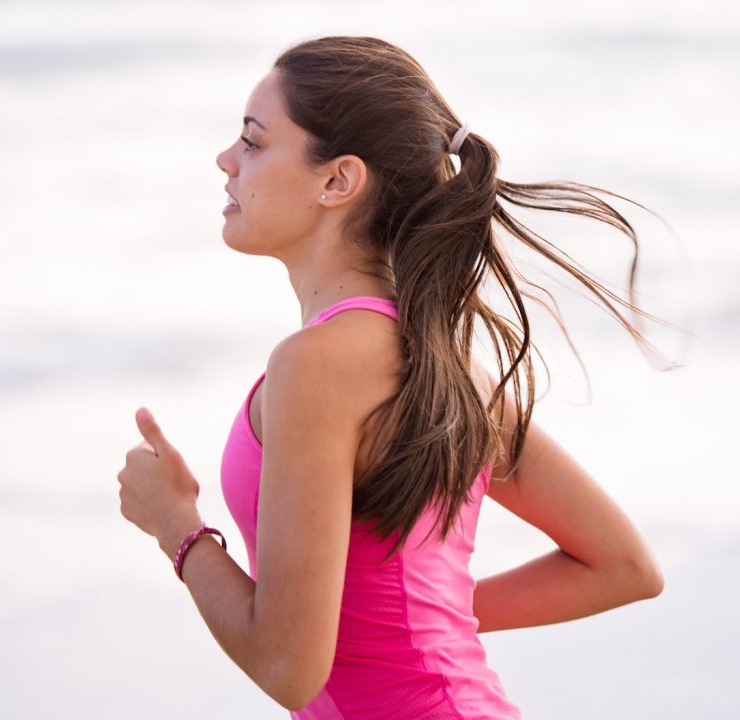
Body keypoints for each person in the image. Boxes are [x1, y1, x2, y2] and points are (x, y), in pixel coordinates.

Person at [116, 35, 669, 719]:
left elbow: (288, 667)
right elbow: (621, 566)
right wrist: (419, 625)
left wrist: (176, 523)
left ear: (337, 181)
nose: (226, 160)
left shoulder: (316, 364)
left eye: (254, 142)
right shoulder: (438, 359)